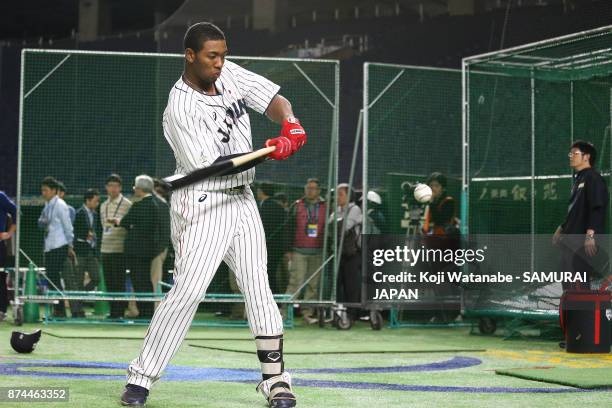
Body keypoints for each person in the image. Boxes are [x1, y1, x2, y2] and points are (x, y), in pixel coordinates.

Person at [120, 22, 306, 408]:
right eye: (212, 57)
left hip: (243, 200)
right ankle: (140, 378)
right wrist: (273, 150)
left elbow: (272, 98)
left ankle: (276, 381)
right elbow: (221, 166)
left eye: (223, 54)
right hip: (204, 200)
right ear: (190, 56)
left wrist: (290, 122)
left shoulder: (228, 71)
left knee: (258, 288)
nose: (220, 63)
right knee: (188, 291)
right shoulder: (181, 108)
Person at [553, 140, 609, 290]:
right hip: (570, 242)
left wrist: (590, 236)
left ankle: (583, 312)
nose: (571, 156)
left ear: (586, 157)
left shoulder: (593, 178)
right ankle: (571, 312)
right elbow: (575, 210)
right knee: (567, 280)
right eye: (570, 153)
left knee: (579, 283)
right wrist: (562, 228)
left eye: (575, 153)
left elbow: (597, 208)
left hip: (581, 243)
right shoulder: (578, 180)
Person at [117, 175, 160, 319]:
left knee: (138, 282)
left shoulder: (138, 205)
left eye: (135, 186)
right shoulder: (155, 205)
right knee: (146, 282)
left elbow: (124, 222)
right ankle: (149, 313)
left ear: (140, 189)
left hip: (135, 251)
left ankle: (144, 313)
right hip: (148, 251)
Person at [285, 178, 327, 324]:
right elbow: (288, 228)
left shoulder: (326, 207)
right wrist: (288, 250)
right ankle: (284, 313)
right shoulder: (297, 205)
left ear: (319, 190)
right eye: (308, 188)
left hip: (318, 251)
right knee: (295, 282)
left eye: (313, 188)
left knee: (313, 285)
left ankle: (308, 314)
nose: (310, 191)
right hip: (298, 251)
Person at [38, 177, 75, 318]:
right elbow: (41, 222)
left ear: (54, 191)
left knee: (54, 278)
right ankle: (58, 310)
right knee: (51, 278)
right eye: (42, 190)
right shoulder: (47, 205)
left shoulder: (60, 205)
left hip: (60, 245)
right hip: (49, 246)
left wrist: (70, 245)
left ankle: (60, 310)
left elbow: (68, 226)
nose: (43, 193)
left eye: (46, 190)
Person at [100, 174, 132, 319]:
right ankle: (113, 312)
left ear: (120, 188)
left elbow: (129, 225)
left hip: (120, 249)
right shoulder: (103, 205)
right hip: (105, 248)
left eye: (116, 186)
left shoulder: (127, 204)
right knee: (109, 282)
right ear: (106, 187)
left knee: (119, 282)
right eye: (110, 186)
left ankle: (120, 312)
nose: (113, 189)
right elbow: (103, 226)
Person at [331, 183, 362, 324]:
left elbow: (346, 226)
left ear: (349, 196)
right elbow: (329, 225)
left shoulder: (354, 208)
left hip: (351, 254)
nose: (337, 197)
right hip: (337, 253)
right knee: (337, 285)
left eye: (340, 194)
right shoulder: (337, 209)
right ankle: (338, 314)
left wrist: (336, 224)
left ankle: (352, 315)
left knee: (351, 286)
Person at [257, 182, 288, 294]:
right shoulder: (279, 208)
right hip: (277, 248)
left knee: (267, 275)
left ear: (261, 191)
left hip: (266, 248)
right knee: (272, 275)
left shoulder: (264, 207)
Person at [73, 189, 101, 294]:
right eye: (95, 201)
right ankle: (78, 309)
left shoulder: (95, 215)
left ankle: (83, 293)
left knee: (97, 277)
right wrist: (85, 235)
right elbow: (73, 231)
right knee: (78, 280)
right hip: (80, 251)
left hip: (91, 251)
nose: (97, 203)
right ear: (88, 201)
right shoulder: (78, 213)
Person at [151, 178, 171, 310]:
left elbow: (166, 231)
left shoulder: (164, 206)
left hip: (158, 250)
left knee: (155, 280)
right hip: (146, 250)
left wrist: (160, 250)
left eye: (158, 191)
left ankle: (157, 309)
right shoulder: (149, 204)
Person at [423, 172, 458, 237]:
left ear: (443, 188)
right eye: (431, 185)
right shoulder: (428, 201)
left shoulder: (449, 201)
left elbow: (440, 220)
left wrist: (432, 202)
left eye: (437, 186)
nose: (433, 188)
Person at [0, 190, 17, 322]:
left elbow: (15, 211)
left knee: (0, 278)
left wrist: (9, 233)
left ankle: (2, 311)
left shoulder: (1, 196)